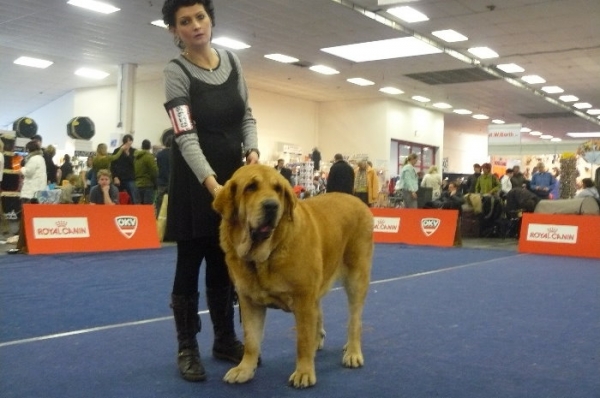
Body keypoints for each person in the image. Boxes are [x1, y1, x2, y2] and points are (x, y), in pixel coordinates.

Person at [162, 0, 259, 383]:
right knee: (190, 263)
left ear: (210, 19)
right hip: (194, 183)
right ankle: (187, 348)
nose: (195, 25)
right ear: (174, 30)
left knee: (225, 260)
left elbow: (247, 114)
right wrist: (212, 184)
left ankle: (224, 339)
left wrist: (252, 152)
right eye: (185, 21)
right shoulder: (175, 71)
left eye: (200, 17)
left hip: (233, 180)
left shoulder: (233, 62)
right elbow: (184, 134)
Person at [111, 134, 140, 204]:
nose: (128, 142)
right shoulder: (117, 151)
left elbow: (135, 164)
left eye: (130, 141)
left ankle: (135, 210)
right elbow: (113, 165)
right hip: (118, 178)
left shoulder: (134, 151)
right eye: (127, 141)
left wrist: (128, 154)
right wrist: (115, 176)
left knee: (134, 196)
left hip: (130, 178)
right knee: (115, 197)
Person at [134, 139, 158, 205]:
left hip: (137, 184)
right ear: (150, 147)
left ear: (142, 146)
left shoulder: (136, 157)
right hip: (147, 185)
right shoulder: (149, 157)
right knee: (147, 208)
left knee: (138, 208)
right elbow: (154, 171)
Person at [156, 134, 172, 216]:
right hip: (171, 182)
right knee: (171, 204)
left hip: (161, 181)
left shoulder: (159, 154)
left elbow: (157, 167)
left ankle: (158, 219)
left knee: (159, 202)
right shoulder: (174, 155)